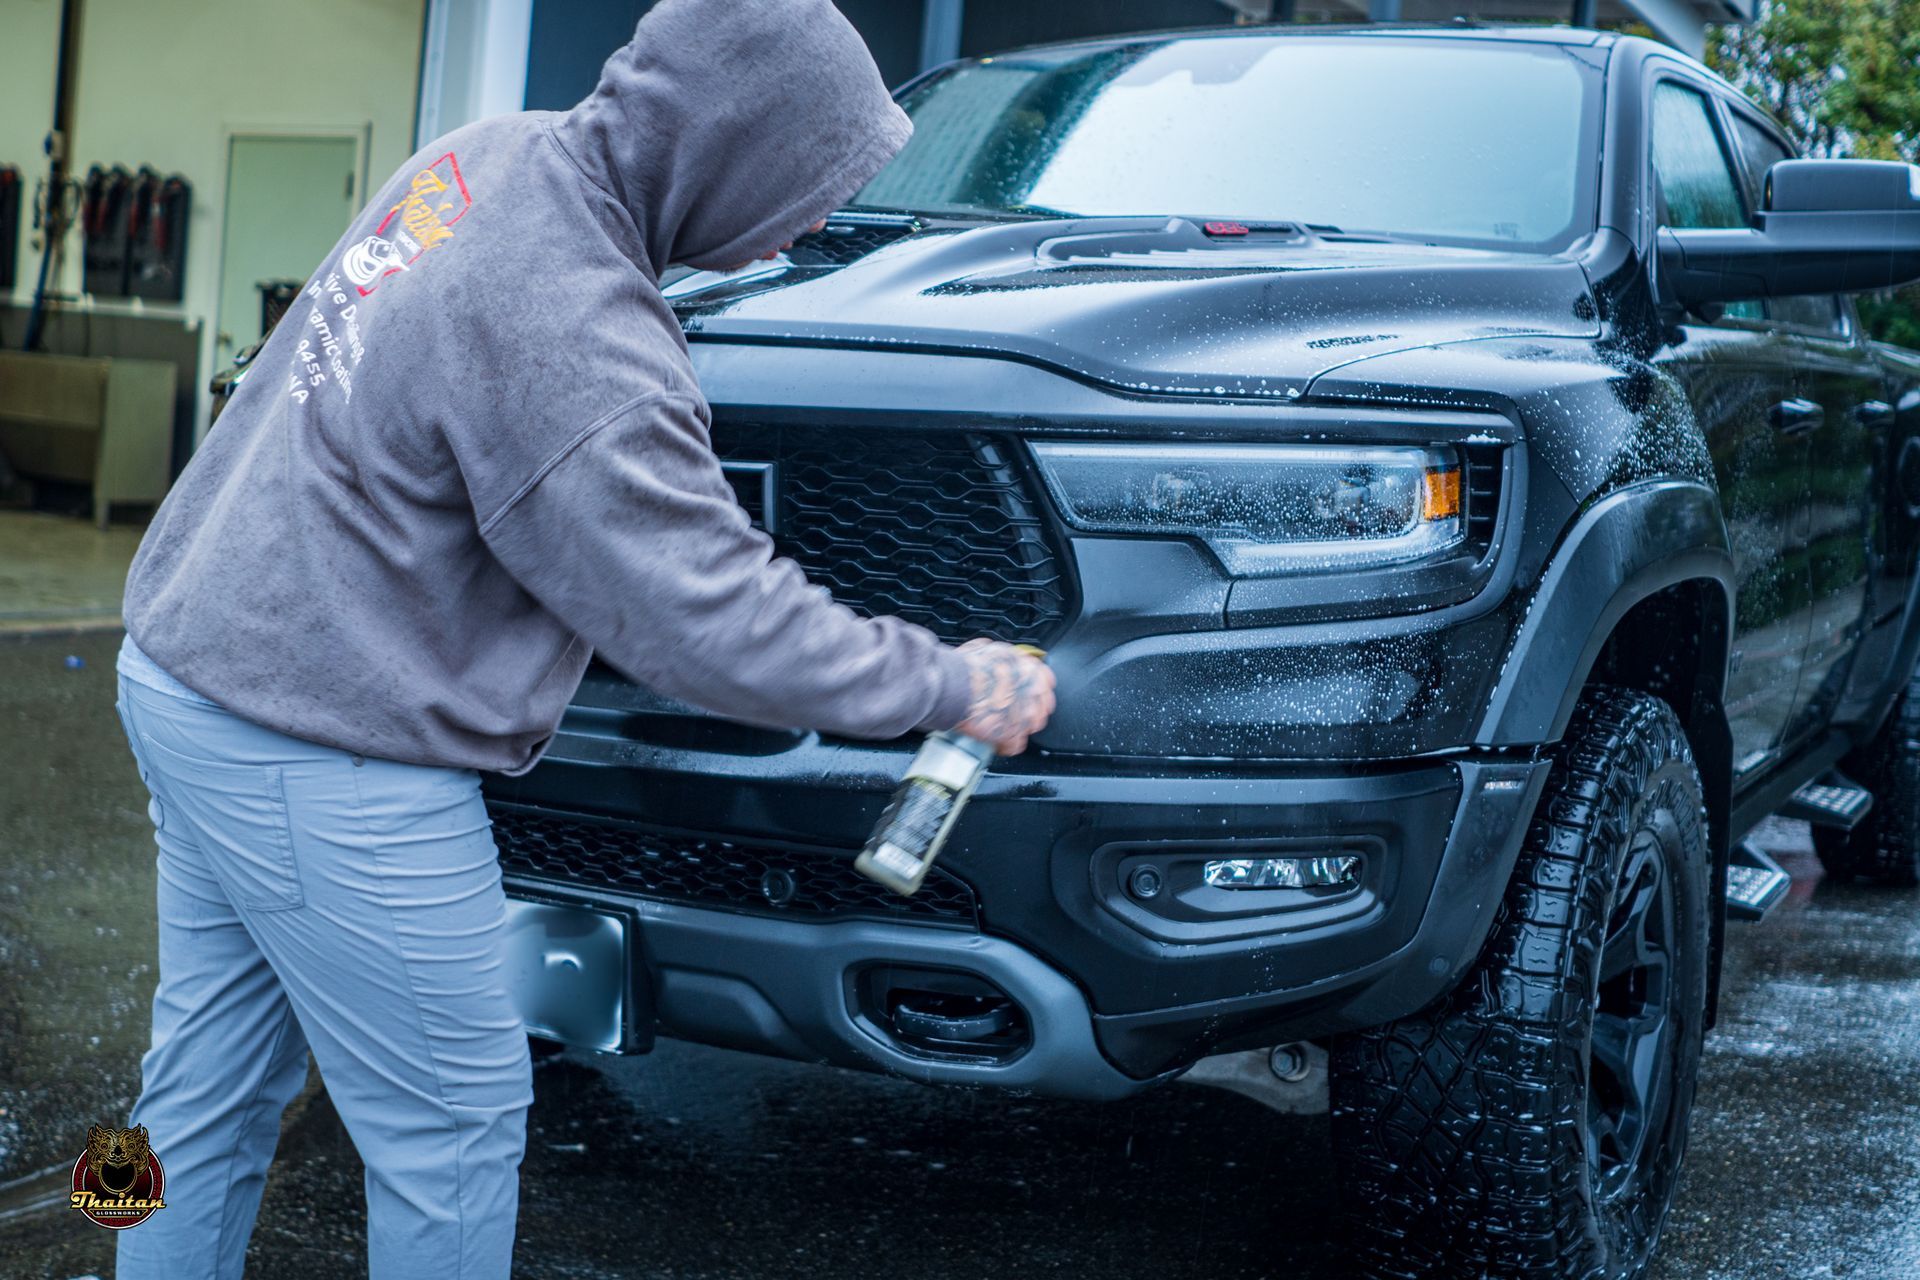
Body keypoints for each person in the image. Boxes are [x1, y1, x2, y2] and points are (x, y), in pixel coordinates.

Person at [109, 2, 1055, 1276]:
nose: (819, 221)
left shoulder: (487, 153)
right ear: (729, 146)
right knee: (455, 1118)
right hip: (323, 741)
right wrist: (957, 679)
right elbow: (715, 624)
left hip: (186, 662)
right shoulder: (573, 328)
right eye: (810, 180)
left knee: (198, 1086)